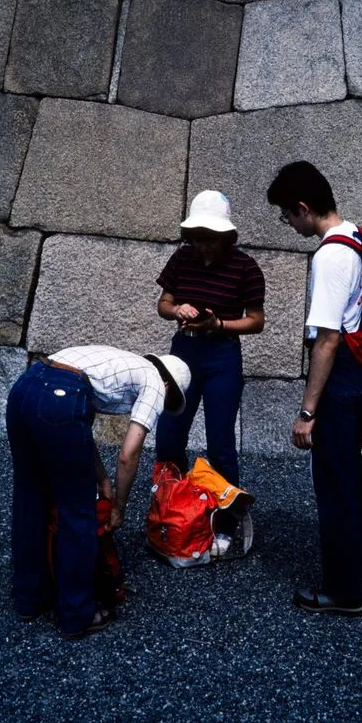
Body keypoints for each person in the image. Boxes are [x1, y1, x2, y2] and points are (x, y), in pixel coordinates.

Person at [6, 345, 190, 639]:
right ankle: (77, 614)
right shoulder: (156, 382)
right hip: (61, 398)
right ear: (169, 385)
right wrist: (119, 504)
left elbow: (76, 428)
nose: (161, 407)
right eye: (169, 402)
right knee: (79, 511)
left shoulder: (115, 365)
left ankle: (30, 598)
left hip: (26, 387)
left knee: (30, 498)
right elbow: (129, 454)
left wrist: (102, 478)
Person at [267, 161, 362, 617]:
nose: (288, 224)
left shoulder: (331, 255)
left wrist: (307, 411)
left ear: (303, 208)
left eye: (286, 216)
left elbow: (328, 339)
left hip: (340, 381)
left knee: (332, 482)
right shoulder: (358, 236)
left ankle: (342, 591)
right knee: (351, 471)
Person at [154, 190, 265, 555]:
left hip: (222, 355)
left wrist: (218, 323)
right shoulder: (181, 259)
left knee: (220, 442)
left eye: (211, 239)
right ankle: (171, 513)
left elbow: (257, 321)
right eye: (198, 238)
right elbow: (163, 303)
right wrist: (177, 310)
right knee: (169, 436)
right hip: (182, 353)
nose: (203, 246)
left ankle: (225, 522)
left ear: (227, 237)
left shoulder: (246, 267)